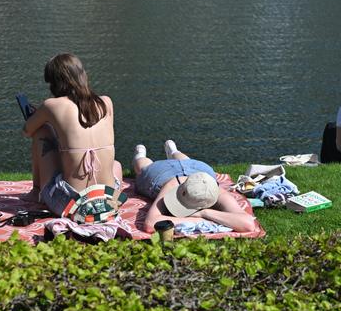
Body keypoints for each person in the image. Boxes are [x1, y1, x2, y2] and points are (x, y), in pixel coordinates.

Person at [23, 53, 123, 216]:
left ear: (54, 83)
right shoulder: (106, 102)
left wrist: (41, 118)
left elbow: (27, 130)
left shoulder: (52, 105)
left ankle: (36, 191)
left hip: (75, 207)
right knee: (116, 165)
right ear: (83, 75)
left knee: (41, 131)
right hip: (108, 202)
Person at [133, 141, 257, 233]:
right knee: (144, 167)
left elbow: (248, 224)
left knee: (187, 162)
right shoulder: (172, 185)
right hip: (161, 174)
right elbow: (150, 224)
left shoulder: (213, 189)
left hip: (199, 168)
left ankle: (174, 151)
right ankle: (141, 154)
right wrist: (200, 219)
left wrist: (205, 213)